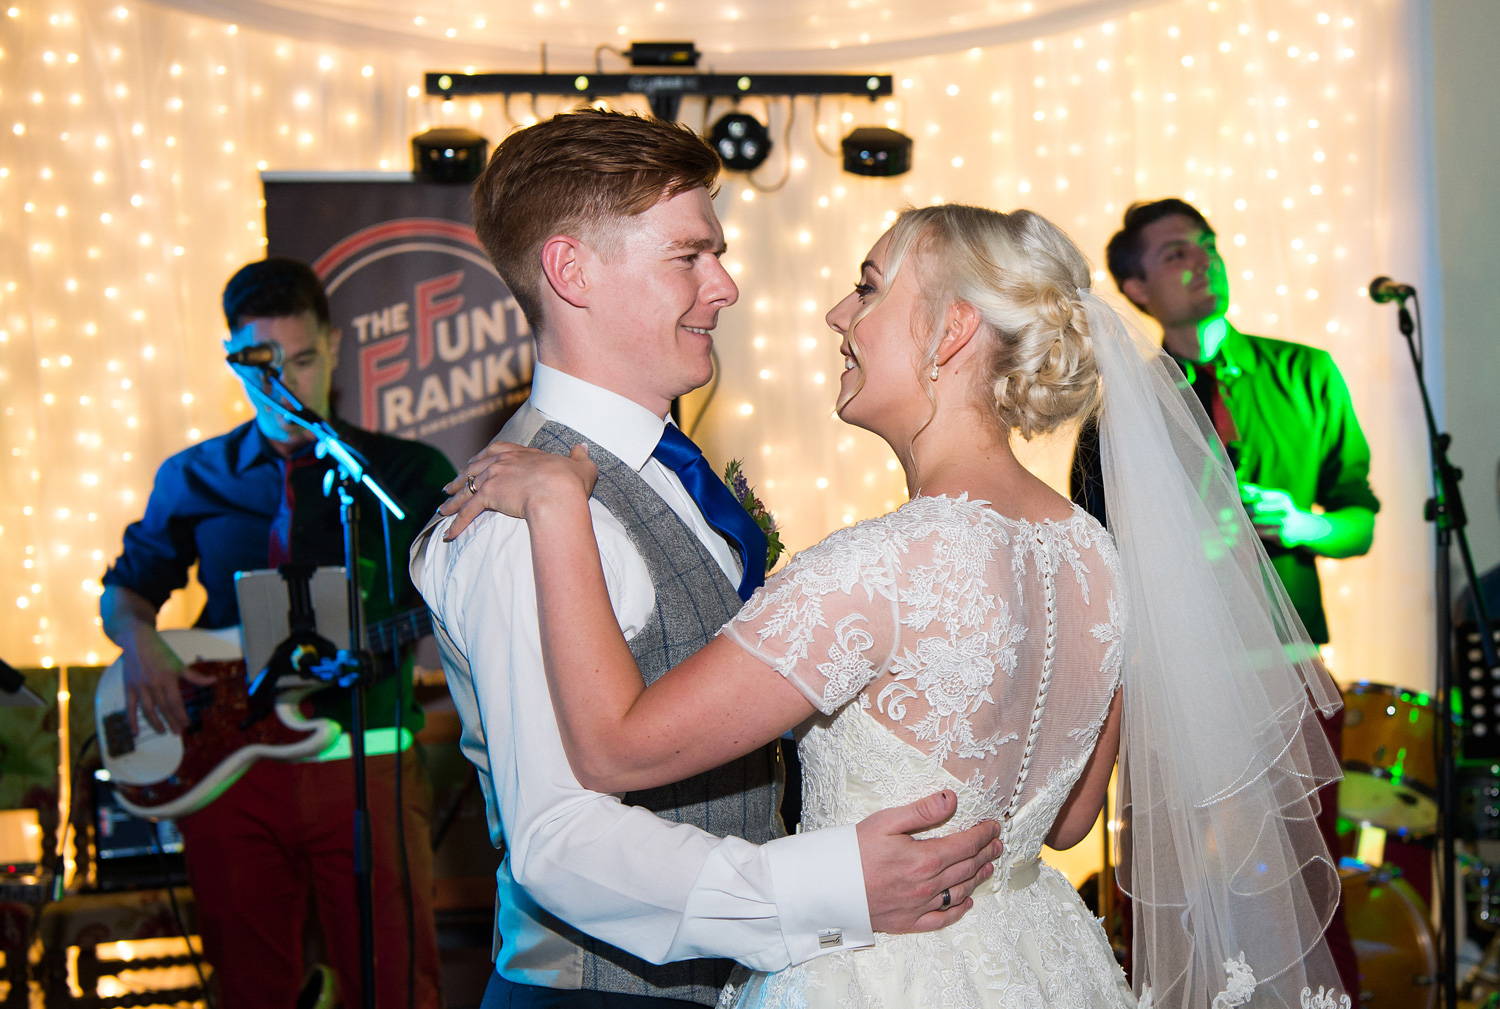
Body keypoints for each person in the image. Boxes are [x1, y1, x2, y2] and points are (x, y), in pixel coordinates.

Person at [443, 203, 1353, 1008]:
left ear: (952, 330)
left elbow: (612, 745)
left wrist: (562, 508)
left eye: (869, 289)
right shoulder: (1099, 556)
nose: (841, 315)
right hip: (1041, 961)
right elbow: (1070, 820)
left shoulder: (884, 564)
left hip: (882, 970)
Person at [408, 110, 1002, 1009]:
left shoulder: (658, 477)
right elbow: (559, 837)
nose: (724, 287)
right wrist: (826, 888)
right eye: (688, 256)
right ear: (571, 271)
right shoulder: (517, 518)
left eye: (716, 254)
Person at [100, 258, 452, 1009]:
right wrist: (140, 644)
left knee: (394, 984)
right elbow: (127, 589)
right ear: (234, 360)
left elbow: (471, 598)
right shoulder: (193, 476)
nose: (285, 385)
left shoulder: (403, 476)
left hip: (369, 757)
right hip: (229, 769)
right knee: (251, 985)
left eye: (302, 361)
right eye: (264, 366)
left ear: (333, 348)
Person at [1071, 198, 1378, 996]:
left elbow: (1360, 522)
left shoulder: (1306, 372)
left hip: (1288, 665)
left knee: (1309, 883)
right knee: (1169, 884)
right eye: (1176, 253)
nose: (1203, 261)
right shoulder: (1121, 407)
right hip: (1178, 678)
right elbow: (1094, 549)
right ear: (1135, 286)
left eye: (1206, 245)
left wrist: (1306, 522)